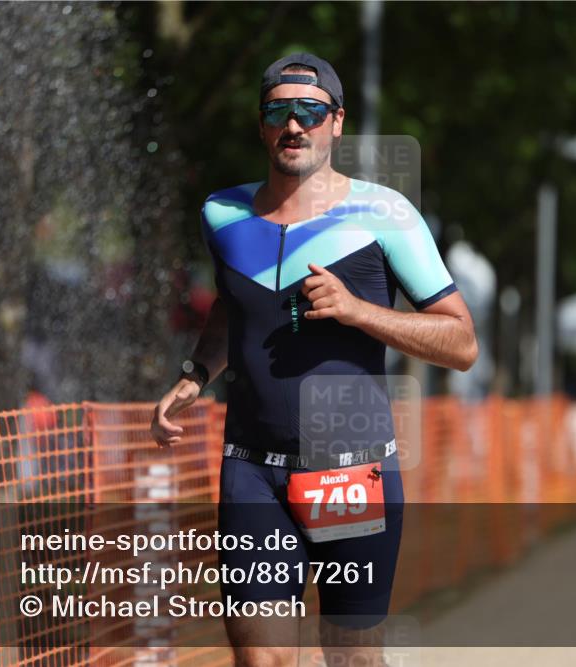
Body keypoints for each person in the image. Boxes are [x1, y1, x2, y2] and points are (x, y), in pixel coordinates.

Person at [150, 53, 477, 667]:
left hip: (349, 473)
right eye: (280, 111)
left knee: (349, 657)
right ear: (262, 124)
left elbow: (460, 343)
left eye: (310, 111)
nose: (294, 124)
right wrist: (195, 374)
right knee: (261, 659)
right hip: (251, 472)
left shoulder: (386, 215)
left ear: (337, 123)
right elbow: (233, 304)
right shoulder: (222, 215)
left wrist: (357, 311)